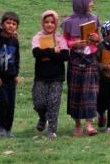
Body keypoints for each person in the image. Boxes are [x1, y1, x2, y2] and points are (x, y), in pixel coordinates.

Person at [62, 0, 102, 137]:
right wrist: (74, 44)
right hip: (75, 59)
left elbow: (99, 38)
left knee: (90, 91)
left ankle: (89, 124)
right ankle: (77, 124)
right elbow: (64, 40)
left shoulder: (94, 19)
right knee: (76, 92)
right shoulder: (68, 22)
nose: (92, 4)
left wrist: (96, 37)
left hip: (90, 58)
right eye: (90, 1)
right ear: (81, 3)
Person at [32, 10, 69, 139]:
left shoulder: (60, 38)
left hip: (56, 77)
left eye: (52, 22)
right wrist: (53, 51)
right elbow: (36, 53)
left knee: (54, 103)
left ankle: (52, 130)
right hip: (41, 76)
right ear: (43, 23)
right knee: (39, 103)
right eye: (46, 22)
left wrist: (46, 54)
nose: (49, 25)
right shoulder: (37, 37)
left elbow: (65, 56)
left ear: (56, 24)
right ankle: (42, 118)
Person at [0, 12, 20, 138]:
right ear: (2, 24)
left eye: (14, 24)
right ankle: (1, 127)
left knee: (11, 103)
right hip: (0, 77)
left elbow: (17, 59)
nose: (11, 26)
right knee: (3, 101)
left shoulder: (15, 41)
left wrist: (16, 74)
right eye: (8, 23)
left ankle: (9, 128)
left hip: (11, 77)